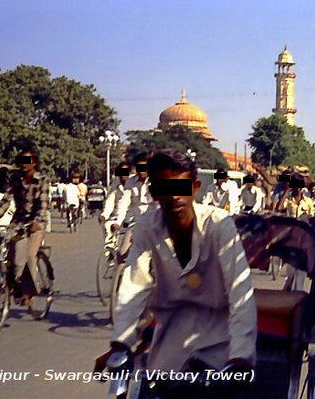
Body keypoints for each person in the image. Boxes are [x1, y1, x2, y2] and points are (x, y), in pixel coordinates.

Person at [107, 151, 256, 398]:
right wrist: (121, 342)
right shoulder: (146, 226)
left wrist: (240, 357)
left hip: (219, 342)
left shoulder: (219, 224)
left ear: (195, 188)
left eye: (182, 187)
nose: (175, 195)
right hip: (169, 342)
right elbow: (134, 286)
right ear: (154, 192)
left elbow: (240, 292)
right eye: (166, 187)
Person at [0, 148, 50, 306]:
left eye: (26, 161)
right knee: (12, 254)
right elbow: (6, 201)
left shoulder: (42, 179)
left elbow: (43, 205)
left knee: (29, 256)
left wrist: (37, 221)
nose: (23, 165)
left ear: (34, 162)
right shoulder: (15, 179)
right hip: (19, 221)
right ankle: (14, 284)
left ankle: (30, 291)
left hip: (37, 222)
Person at [113, 153, 156, 260]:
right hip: (137, 224)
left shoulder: (156, 180)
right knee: (122, 253)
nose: (141, 171)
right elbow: (124, 202)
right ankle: (119, 274)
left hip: (155, 225)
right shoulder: (130, 181)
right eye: (138, 168)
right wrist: (118, 221)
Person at [99, 161, 131, 246]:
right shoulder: (115, 184)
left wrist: (119, 222)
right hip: (118, 217)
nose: (122, 176)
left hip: (133, 218)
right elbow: (110, 201)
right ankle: (111, 250)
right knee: (107, 226)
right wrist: (104, 215)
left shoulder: (134, 184)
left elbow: (125, 204)